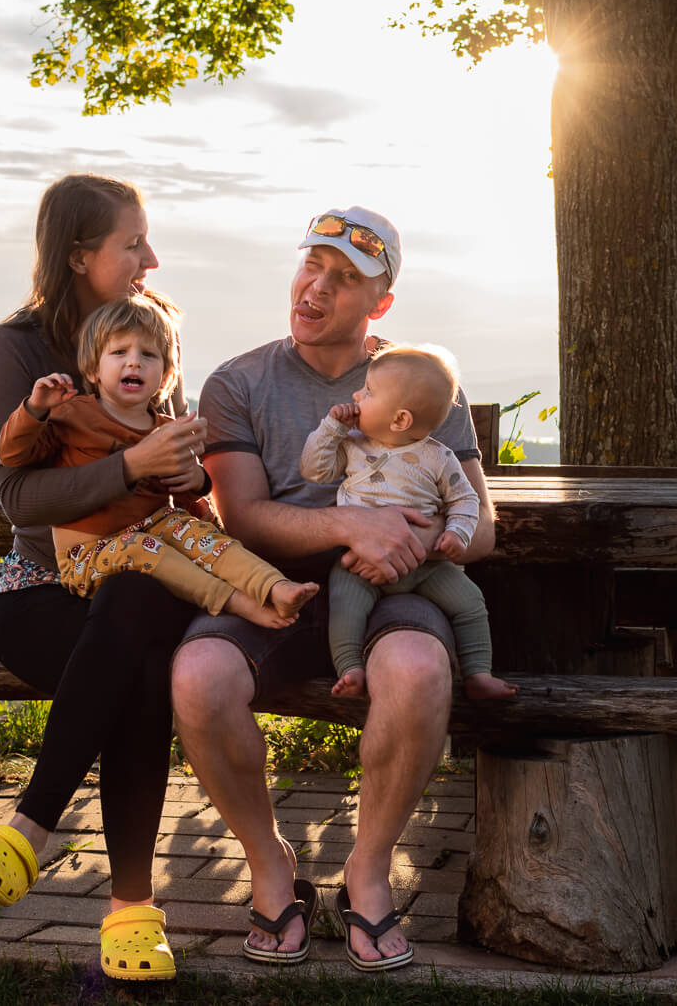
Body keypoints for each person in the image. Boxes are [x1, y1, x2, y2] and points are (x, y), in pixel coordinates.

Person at [170, 206, 497, 972]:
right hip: (273, 585)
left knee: (417, 672)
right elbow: (242, 516)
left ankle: (368, 871)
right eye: (311, 265)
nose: (315, 287)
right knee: (198, 677)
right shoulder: (238, 382)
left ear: (379, 304)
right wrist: (352, 526)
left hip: (396, 583)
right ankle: (270, 862)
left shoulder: (420, 379)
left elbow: (482, 527)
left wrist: (408, 542)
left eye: (344, 279)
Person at [0, 174, 208, 983]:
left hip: (142, 582)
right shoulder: (17, 349)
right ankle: (132, 915)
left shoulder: (150, 327)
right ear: (77, 256)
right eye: (133, 243)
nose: (150, 257)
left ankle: (27, 831)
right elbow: (19, 497)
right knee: (135, 671)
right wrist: (132, 463)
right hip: (43, 590)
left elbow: (185, 472)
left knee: (134, 601)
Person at [0, 294, 319, 628]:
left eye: (148, 355)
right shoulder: (72, 415)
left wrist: (197, 480)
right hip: (87, 556)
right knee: (145, 546)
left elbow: (184, 498)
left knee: (195, 534)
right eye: (119, 352)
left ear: (165, 375)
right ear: (93, 368)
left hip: (156, 536)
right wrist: (34, 410)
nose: (133, 362)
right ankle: (235, 602)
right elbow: (13, 454)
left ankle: (273, 586)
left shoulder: (166, 429)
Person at [299, 344, 517, 701]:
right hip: (360, 564)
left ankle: (478, 672)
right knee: (345, 607)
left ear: (400, 419)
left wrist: (455, 534)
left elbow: (465, 501)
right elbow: (314, 468)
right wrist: (331, 428)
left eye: (368, 392)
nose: (357, 395)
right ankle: (351, 667)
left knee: (470, 603)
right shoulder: (353, 445)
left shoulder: (438, 457)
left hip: (426, 568)